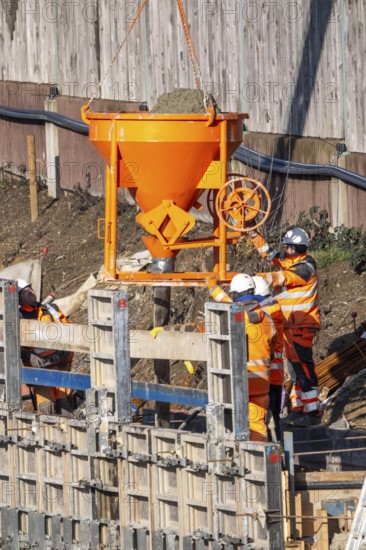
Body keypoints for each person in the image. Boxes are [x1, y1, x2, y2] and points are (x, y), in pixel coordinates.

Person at [249, 227, 321, 427]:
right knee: (296, 370)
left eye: (290, 247)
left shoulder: (306, 267)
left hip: (301, 326)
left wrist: (261, 278)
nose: (286, 249)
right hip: (290, 327)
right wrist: (255, 235)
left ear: (298, 247)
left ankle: (313, 412)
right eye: (286, 246)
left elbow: (286, 277)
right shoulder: (289, 262)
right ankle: (299, 409)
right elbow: (269, 254)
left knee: (304, 368)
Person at [206, 273, 276, 441]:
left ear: (236, 294)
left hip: (239, 381)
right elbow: (272, 346)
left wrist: (212, 287)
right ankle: (260, 463)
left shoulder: (235, 318)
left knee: (232, 424)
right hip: (261, 382)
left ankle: (238, 460)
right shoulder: (267, 318)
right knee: (258, 425)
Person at [17, 279, 76, 416]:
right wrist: (28, 356)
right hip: (39, 372)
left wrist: (67, 350)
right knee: (47, 409)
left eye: (30, 288)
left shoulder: (51, 309)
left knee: (66, 409)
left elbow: (69, 331)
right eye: (25, 291)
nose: (30, 292)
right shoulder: (17, 317)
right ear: (18, 298)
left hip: (60, 367)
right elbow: (12, 346)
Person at [253, 276, 284, 441]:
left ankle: (271, 455)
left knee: (266, 420)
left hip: (266, 377)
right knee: (274, 420)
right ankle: (277, 456)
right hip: (275, 376)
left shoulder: (265, 315)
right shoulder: (274, 309)